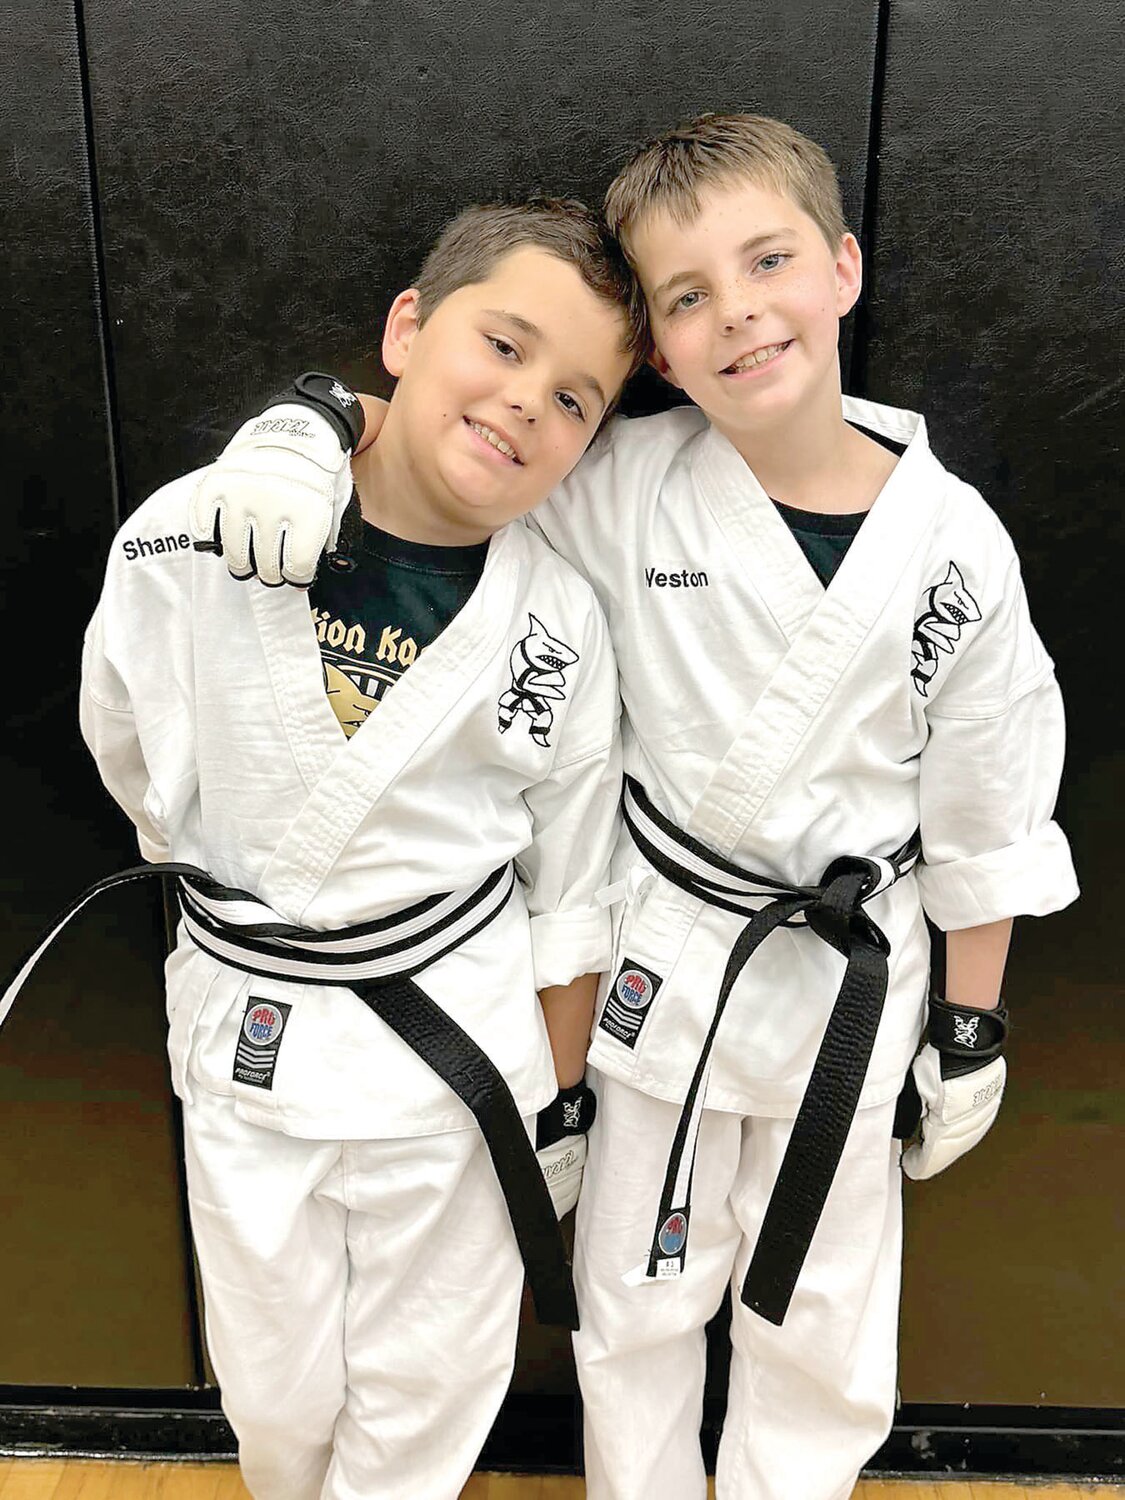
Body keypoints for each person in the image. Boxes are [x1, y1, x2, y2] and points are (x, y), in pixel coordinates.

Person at [185, 115, 1078, 1500]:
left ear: (841, 269)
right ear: (657, 353)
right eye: (686, 296)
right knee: (631, 1307)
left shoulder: (954, 548)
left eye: (767, 260)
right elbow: (454, 442)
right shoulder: (620, 483)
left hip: (850, 992)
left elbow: (990, 807)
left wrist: (969, 1025)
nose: (739, 314)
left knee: (823, 1322)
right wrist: (302, 425)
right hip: (657, 981)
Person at [57, 200, 643, 1500]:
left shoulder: (553, 621)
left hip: (457, 1070)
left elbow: (570, 883)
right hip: (253, 1045)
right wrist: (234, 880)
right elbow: (126, 738)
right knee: (274, 1393)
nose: (523, 406)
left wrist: (553, 1110)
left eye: (574, 399)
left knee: (429, 1387)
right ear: (407, 327)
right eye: (502, 344)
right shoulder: (193, 532)